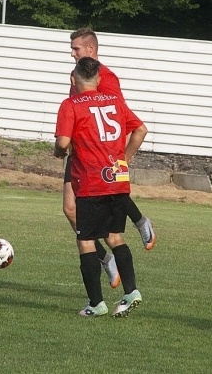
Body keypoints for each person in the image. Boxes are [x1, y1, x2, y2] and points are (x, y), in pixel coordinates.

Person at [54, 56, 149, 317]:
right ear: (98, 79)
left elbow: (63, 144)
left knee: (85, 241)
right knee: (115, 236)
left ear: (73, 79)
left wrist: (57, 151)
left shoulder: (70, 105)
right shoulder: (115, 101)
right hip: (117, 179)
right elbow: (140, 130)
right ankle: (131, 292)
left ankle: (96, 304)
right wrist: (124, 159)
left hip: (91, 182)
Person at [63, 28, 155, 289]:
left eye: (76, 49)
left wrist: (122, 157)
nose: (72, 53)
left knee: (108, 210)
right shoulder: (78, 74)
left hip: (102, 158)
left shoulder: (108, 78)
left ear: (90, 49)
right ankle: (105, 259)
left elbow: (120, 118)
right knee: (70, 210)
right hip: (79, 154)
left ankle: (139, 221)